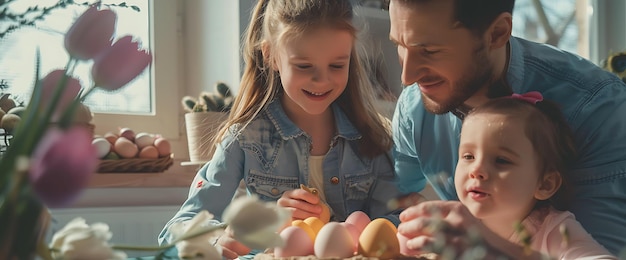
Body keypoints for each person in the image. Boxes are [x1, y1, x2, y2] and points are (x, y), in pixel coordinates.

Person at [159, 0, 400, 258]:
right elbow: (174, 233)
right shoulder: (245, 138)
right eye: (304, 66)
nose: (322, 80)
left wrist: (337, 228)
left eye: (337, 65)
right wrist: (228, 236)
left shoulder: (372, 139)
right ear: (270, 55)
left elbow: (393, 223)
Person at [387, 0, 626, 255]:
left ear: (497, 33)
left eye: (430, 50)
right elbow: (391, 207)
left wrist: (490, 249)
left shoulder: (597, 108)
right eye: (399, 46)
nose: (407, 77)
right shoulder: (415, 107)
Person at [399, 93, 615, 259]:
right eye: (468, 156)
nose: (477, 170)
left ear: (545, 184)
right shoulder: (455, 226)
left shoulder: (554, 230)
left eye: (501, 160)